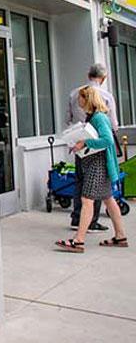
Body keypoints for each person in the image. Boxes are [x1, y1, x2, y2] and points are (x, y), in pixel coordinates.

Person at [56, 86, 127, 252]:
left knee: (87, 200)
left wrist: (85, 143)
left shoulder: (99, 118)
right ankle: (120, 236)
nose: (78, 101)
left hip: (98, 165)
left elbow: (107, 140)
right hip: (100, 164)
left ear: (87, 99)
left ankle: (78, 241)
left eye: (80, 98)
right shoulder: (95, 117)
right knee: (108, 200)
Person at [65, 63, 119, 232]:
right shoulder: (106, 96)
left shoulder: (74, 93)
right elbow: (114, 125)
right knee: (93, 188)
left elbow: (68, 119)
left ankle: (77, 218)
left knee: (81, 182)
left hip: (80, 144)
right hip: (95, 149)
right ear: (103, 78)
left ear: (89, 75)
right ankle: (91, 222)